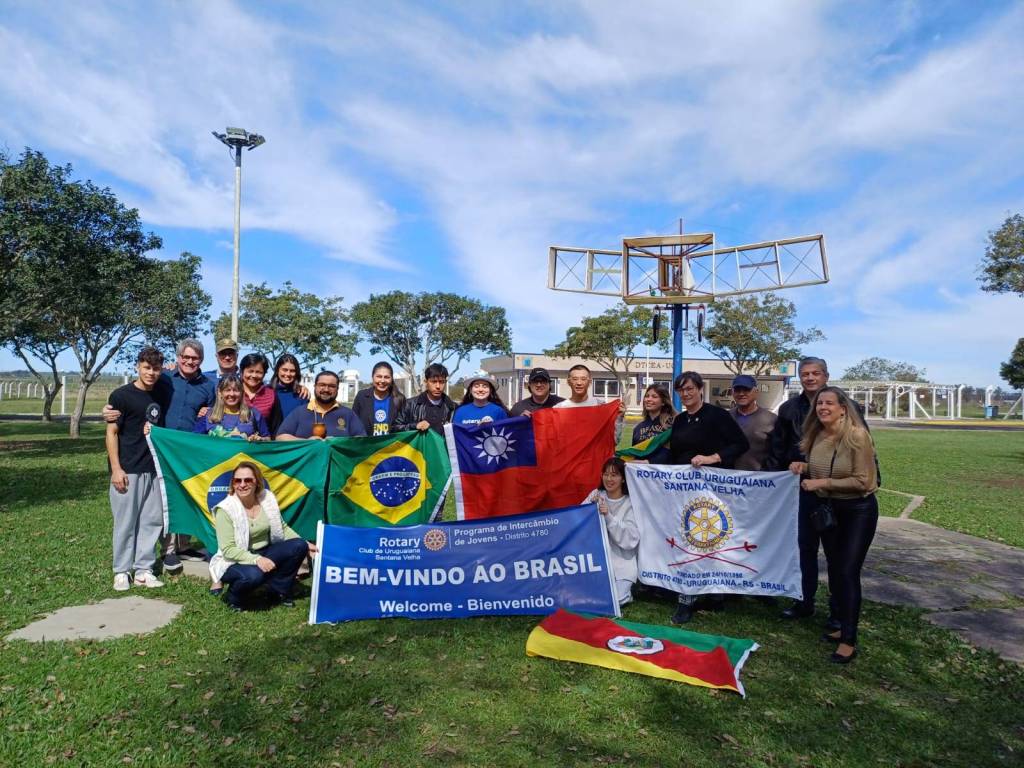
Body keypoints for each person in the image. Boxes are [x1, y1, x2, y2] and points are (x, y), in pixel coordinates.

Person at [103, 338, 217, 573]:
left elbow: (214, 414)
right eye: (185, 357)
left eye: (195, 358)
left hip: (187, 451)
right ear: (178, 358)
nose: (189, 361)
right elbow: (134, 395)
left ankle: (182, 546)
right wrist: (108, 411)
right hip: (160, 451)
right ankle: (167, 551)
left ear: (201, 360)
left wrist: (207, 413)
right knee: (163, 503)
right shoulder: (164, 378)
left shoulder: (208, 386)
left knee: (183, 500)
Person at [791, 386, 878, 664]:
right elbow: (824, 467)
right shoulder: (816, 435)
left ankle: (849, 640)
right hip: (829, 509)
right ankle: (841, 623)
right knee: (835, 569)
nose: (823, 407)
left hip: (857, 511)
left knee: (847, 571)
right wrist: (804, 468)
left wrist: (821, 482)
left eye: (829, 403)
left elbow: (863, 481)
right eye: (819, 403)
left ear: (843, 408)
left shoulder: (857, 436)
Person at [668, 371, 750, 624]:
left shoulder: (717, 415)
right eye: (681, 390)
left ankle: (714, 594)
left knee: (709, 540)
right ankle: (688, 596)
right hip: (685, 490)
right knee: (688, 539)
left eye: (690, 389)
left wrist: (712, 458)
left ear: (700, 389)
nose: (685, 394)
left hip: (713, 490)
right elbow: (674, 455)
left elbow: (740, 444)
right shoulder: (680, 420)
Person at [764, 356, 839, 624]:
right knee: (804, 548)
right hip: (800, 489)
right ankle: (804, 601)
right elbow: (778, 447)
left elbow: (860, 444)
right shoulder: (788, 409)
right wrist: (771, 481)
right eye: (805, 373)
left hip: (835, 489)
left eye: (815, 373)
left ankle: (838, 611)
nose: (810, 378)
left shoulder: (843, 404)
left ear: (826, 376)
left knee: (836, 552)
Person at [105, 346, 173, 591]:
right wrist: (116, 469)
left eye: (156, 368)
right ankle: (122, 571)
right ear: (137, 367)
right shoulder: (121, 396)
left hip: (154, 468)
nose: (151, 373)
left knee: (152, 520)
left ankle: (144, 569)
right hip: (128, 468)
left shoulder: (162, 393)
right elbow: (112, 433)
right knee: (125, 522)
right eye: (146, 367)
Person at [209, 461, 317, 611]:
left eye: (248, 480)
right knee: (254, 575)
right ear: (233, 483)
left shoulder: (266, 498)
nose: (242, 484)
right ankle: (234, 598)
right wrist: (257, 560)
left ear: (257, 482)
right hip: (234, 560)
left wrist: (306, 543)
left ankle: (277, 590)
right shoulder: (225, 509)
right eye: (237, 480)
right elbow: (228, 550)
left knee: (299, 546)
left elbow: (282, 528)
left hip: (265, 550)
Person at [583, 458, 639, 606]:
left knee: (615, 600)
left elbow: (631, 539)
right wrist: (589, 507)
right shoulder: (596, 494)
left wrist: (608, 516)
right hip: (596, 558)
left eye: (614, 475)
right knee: (588, 596)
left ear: (623, 479)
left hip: (622, 561)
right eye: (606, 474)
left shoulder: (630, 502)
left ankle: (626, 592)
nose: (609, 479)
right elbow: (578, 523)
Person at [276, 370, 367, 439]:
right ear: (315, 386)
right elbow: (280, 437)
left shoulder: (348, 414)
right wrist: (307, 442)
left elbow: (361, 439)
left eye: (331, 386)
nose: (326, 389)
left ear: (337, 389)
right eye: (322, 385)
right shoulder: (299, 412)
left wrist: (338, 442)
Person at [553, 365, 625, 443]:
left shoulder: (600, 406)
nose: (579, 383)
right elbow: (553, 441)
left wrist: (619, 418)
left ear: (590, 382)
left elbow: (614, 440)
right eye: (575, 379)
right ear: (568, 382)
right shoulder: (558, 409)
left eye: (583, 379)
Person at [192, 374, 270, 440]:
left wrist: (260, 440)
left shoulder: (254, 414)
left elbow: (267, 439)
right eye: (227, 390)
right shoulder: (208, 415)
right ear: (220, 392)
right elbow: (194, 440)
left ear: (242, 392)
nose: (232, 394)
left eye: (236, 390)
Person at [729, 374, 777, 470]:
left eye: (746, 389)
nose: (741, 393)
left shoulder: (772, 419)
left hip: (760, 477)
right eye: (737, 390)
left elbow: (779, 453)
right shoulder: (725, 417)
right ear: (732, 393)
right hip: (728, 477)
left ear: (756, 392)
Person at [394, 363, 457, 434]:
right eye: (433, 382)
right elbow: (395, 428)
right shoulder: (409, 404)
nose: (438, 386)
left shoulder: (453, 408)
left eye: (441, 382)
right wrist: (415, 426)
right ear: (426, 382)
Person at [352, 361, 406, 436]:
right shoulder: (362, 396)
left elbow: (404, 426)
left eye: (386, 377)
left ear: (391, 379)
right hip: (366, 443)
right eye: (379, 376)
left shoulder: (399, 399)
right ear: (372, 377)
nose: (382, 381)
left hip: (392, 443)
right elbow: (353, 423)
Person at [239, 353, 284, 436]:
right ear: (242, 371)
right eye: (250, 371)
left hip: (262, 442)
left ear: (264, 374)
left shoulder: (271, 395)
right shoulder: (232, 392)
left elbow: (276, 426)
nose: (254, 375)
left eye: (258, 372)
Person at [631, 383, 676, 463]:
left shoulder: (672, 424)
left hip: (664, 470)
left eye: (654, 397)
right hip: (640, 470)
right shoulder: (638, 428)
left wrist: (649, 462)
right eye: (647, 396)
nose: (648, 399)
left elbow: (674, 451)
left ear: (663, 402)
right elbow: (634, 453)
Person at [270, 354, 310, 418]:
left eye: (292, 371)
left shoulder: (302, 395)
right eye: (284, 370)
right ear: (277, 370)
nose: (288, 374)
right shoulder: (266, 391)